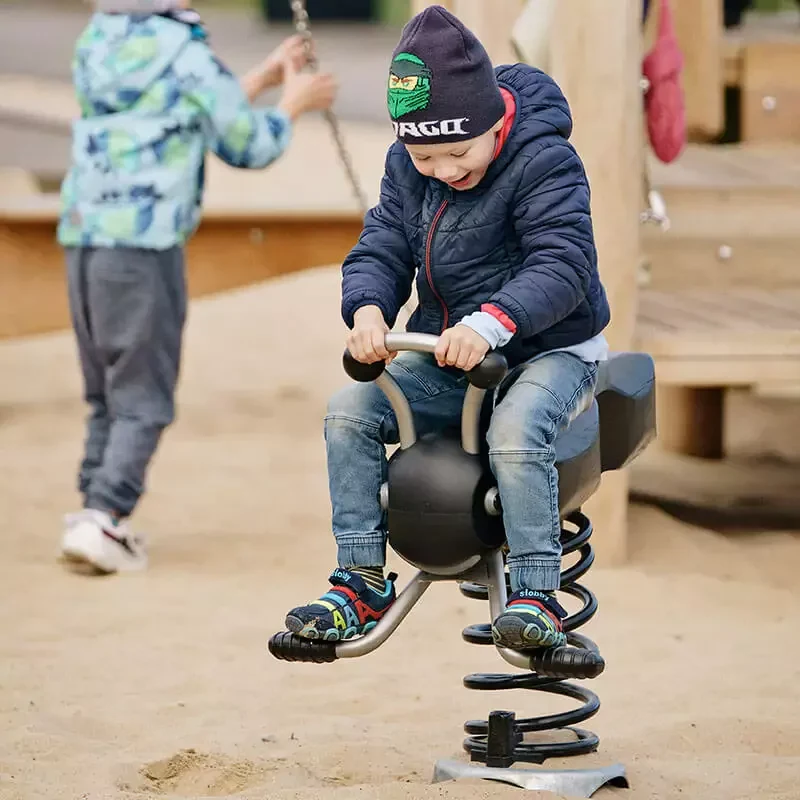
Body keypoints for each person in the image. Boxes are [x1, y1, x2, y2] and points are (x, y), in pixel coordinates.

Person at [283, 5, 610, 651]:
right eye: (424, 155)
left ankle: (536, 592)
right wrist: (369, 310)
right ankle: (360, 580)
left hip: (550, 347)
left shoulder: (544, 160)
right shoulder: (409, 165)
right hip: (450, 349)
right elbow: (382, 245)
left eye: (458, 151)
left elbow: (563, 262)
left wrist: (493, 321)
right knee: (350, 409)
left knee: (517, 433)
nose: (444, 170)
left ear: (493, 121)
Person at [58, 0, 337, 574]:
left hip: (85, 237)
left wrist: (259, 78)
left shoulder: (98, 39)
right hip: (145, 246)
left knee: (106, 391)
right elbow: (249, 145)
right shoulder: (187, 53)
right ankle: (106, 513)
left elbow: (173, 110)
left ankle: (92, 509)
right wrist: (294, 101)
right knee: (145, 396)